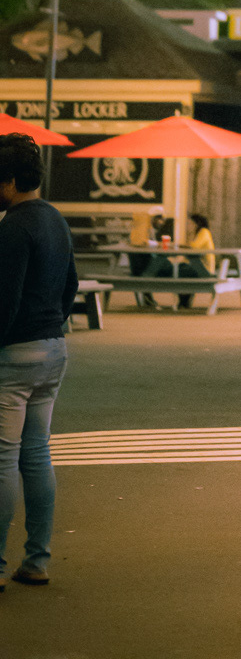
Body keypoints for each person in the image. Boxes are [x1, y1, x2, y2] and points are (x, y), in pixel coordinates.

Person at [0, 133, 79, 591]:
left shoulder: (12, 227)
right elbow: (70, 285)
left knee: (3, 460)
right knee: (37, 454)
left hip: (15, 355)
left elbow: (5, 302)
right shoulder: (55, 219)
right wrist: (51, 322)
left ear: (10, 181)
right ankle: (36, 560)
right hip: (53, 349)